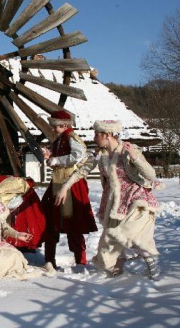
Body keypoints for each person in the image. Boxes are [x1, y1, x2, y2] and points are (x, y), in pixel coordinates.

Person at [55, 120, 164, 280]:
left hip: (136, 200)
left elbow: (150, 174)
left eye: (96, 134)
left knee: (132, 235)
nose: (94, 137)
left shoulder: (128, 150)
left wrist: (135, 157)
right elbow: (81, 171)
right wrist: (65, 187)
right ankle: (116, 274)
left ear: (106, 135)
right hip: (115, 202)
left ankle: (154, 271)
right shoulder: (100, 155)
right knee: (112, 240)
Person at [41, 110, 97, 270]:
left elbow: (78, 156)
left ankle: (81, 261)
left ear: (65, 125)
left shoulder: (72, 138)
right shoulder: (60, 139)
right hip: (57, 183)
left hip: (71, 185)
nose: (53, 129)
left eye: (56, 126)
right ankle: (49, 260)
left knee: (73, 222)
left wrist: (56, 159)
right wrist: (50, 156)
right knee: (50, 219)